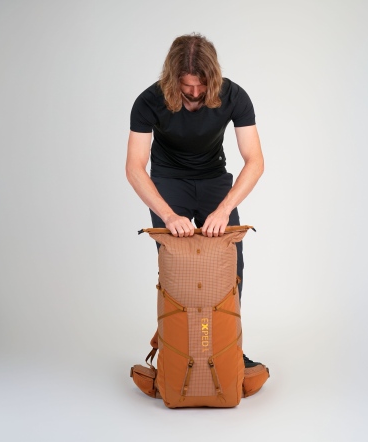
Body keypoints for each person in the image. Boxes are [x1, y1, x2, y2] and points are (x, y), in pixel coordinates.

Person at [125, 33, 264, 368]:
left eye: (202, 85)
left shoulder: (234, 96)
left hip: (214, 180)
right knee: (178, 271)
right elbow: (134, 167)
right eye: (187, 85)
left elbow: (255, 160)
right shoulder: (148, 101)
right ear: (172, 78)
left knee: (232, 266)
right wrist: (168, 215)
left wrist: (224, 209)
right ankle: (178, 353)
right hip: (168, 183)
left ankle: (228, 349)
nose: (196, 93)